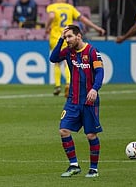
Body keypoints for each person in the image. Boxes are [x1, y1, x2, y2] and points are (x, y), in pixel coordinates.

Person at [50, 24, 104, 178]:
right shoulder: (68, 51)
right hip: (72, 100)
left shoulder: (93, 52)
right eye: (66, 37)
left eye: (69, 37)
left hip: (89, 100)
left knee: (91, 135)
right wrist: (60, 40)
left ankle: (94, 169)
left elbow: (100, 72)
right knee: (63, 130)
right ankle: (74, 165)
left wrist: (94, 89)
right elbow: (53, 58)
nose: (67, 40)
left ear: (79, 36)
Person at [45, 0, 105, 96]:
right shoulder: (70, 7)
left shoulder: (52, 7)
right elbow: (83, 19)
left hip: (57, 37)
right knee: (69, 61)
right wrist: (97, 28)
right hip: (70, 37)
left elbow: (51, 16)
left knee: (57, 62)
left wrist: (47, 27)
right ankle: (68, 83)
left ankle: (57, 85)